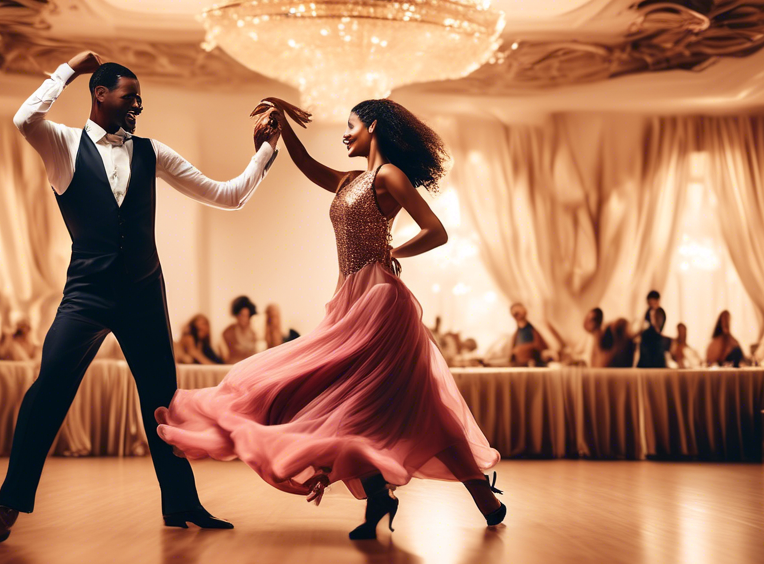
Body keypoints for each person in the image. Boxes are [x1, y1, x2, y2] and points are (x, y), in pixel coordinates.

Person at [155, 97, 504, 541]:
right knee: (358, 404)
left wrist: (395, 252)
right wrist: (281, 122)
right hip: (349, 300)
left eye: (351, 125)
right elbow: (305, 164)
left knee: (392, 406)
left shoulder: (388, 176)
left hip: (379, 303)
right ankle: (395, 496)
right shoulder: (349, 180)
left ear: (373, 126)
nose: (344, 133)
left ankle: (472, 499)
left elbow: (436, 230)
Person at [0, 50, 281, 547]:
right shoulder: (61, 144)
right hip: (86, 294)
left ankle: (181, 502)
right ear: (99, 94)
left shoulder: (152, 152)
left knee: (163, 402)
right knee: (49, 387)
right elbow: (24, 117)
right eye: (129, 95)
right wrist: (69, 68)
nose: (137, 104)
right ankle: (8, 504)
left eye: (140, 98)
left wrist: (263, 153)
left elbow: (227, 195)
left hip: (143, 292)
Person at [221, 295, 259, 363]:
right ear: (236, 315)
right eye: (242, 315)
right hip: (233, 366)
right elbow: (225, 356)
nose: (244, 319)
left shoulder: (253, 332)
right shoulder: (228, 333)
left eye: (247, 316)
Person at [509, 303, 549, 367]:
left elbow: (543, 349)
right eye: (515, 313)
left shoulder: (536, 328)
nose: (516, 313)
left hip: (535, 365)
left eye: (518, 311)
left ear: (525, 311)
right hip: (521, 367)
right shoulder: (515, 335)